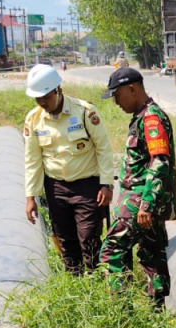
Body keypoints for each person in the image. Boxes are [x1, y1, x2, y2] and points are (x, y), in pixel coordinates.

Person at [23, 64, 114, 275]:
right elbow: (32, 160)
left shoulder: (84, 112)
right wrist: (30, 197)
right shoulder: (33, 120)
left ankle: (95, 281)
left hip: (87, 186)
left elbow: (104, 149)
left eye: (46, 96)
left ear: (59, 91)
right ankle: (74, 279)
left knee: (89, 237)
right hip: (56, 188)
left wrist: (107, 184)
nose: (42, 102)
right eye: (37, 98)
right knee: (65, 239)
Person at [99, 67, 176, 308]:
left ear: (132, 89)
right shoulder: (143, 116)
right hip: (143, 202)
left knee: (112, 249)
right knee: (151, 253)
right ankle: (156, 312)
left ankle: (121, 311)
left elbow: (160, 161)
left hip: (140, 201)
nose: (116, 102)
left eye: (117, 95)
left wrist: (146, 205)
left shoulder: (151, 118)